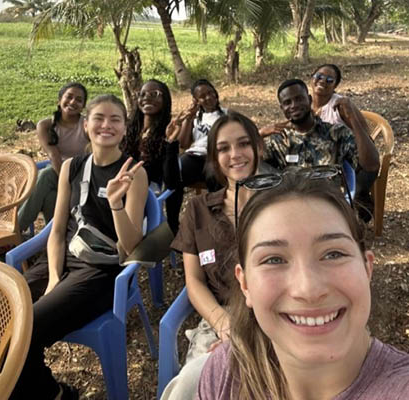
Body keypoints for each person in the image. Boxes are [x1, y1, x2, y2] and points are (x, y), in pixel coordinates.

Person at [198, 172, 409, 399]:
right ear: (245, 284)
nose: (309, 290)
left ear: (367, 268)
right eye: (274, 260)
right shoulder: (225, 374)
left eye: (333, 254)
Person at [11, 94, 149, 400]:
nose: (106, 125)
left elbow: (130, 249)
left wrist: (116, 205)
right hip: (64, 258)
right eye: (99, 118)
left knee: (25, 332)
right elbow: (57, 230)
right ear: (86, 125)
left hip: (100, 271)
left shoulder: (135, 175)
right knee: (0, 312)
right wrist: (53, 279)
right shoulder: (72, 167)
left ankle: (54, 394)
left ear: (125, 129)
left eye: (116, 119)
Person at [161, 112, 268, 399]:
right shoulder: (199, 210)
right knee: (192, 385)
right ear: (214, 158)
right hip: (222, 318)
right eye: (223, 148)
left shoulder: (282, 202)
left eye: (243, 144)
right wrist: (224, 325)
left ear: (259, 147)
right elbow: (193, 282)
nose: (235, 155)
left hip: (276, 315)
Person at [258, 79, 380, 221]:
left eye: (299, 99)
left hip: (330, 209)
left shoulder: (336, 133)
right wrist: (258, 135)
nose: (294, 105)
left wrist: (352, 119)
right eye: (287, 103)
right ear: (282, 108)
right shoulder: (278, 140)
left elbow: (371, 164)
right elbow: (251, 172)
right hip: (291, 212)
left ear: (309, 99)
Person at [309, 63, 379, 221]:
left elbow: (366, 136)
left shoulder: (340, 105)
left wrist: (351, 114)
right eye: (319, 76)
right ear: (312, 78)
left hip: (356, 162)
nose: (322, 81)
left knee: (350, 193)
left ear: (335, 86)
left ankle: (360, 202)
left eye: (329, 80)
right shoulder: (304, 103)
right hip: (325, 162)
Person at [17, 82, 90, 232]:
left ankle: (15, 231)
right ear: (59, 99)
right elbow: (53, 156)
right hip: (59, 174)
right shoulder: (46, 125)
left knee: (45, 174)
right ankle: (55, 237)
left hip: (82, 177)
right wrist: (66, 184)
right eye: (68, 97)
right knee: (51, 195)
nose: (72, 102)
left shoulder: (86, 125)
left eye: (79, 100)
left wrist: (71, 186)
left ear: (83, 106)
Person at [124, 79, 180, 233]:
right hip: (121, 183)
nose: (147, 98)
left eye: (155, 94)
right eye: (142, 95)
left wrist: (170, 142)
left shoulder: (168, 130)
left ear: (165, 100)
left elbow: (172, 183)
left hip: (145, 190)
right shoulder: (131, 129)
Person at [165, 78, 227, 190]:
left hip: (215, 158)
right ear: (196, 100)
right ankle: (172, 207)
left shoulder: (227, 114)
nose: (208, 97)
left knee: (215, 177)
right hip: (195, 157)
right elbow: (183, 144)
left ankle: (217, 205)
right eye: (202, 96)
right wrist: (189, 119)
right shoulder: (194, 117)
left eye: (210, 92)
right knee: (174, 177)